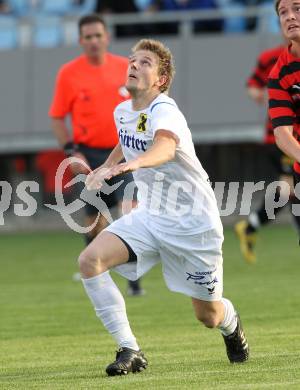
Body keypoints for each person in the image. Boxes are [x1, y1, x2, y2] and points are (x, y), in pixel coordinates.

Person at [79, 38, 249, 376]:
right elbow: (125, 138)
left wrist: (132, 165)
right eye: (132, 60)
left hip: (193, 225)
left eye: (145, 63)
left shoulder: (165, 110)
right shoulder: (123, 111)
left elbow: (165, 148)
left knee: (208, 316)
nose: (134, 65)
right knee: (90, 260)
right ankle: (130, 348)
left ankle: (232, 325)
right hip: (151, 217)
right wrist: (107, 166)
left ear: (161, 79)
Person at [49, 13, 144, 295]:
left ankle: (135, 282)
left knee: (130, 212)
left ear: (107, 37)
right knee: (95, 223)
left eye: (97, 35)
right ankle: (95, 274)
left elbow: (141, 106)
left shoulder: (125, 68)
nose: (93, 41)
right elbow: (57, 117)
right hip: (88, 157)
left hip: (122, 153)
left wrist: (139, 139)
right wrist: (71, 152)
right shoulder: (69, 73)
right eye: (88, 37)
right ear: (81, 41)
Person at [235, 43, 300, 263]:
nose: (291, 18)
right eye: (285, 12)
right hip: (280, 137)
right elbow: (252, 84)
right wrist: (259, 93)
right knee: (290, 187)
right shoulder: (273, 59)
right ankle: (251, 225)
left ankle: (251, 225)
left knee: (288, 190)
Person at [268, 0, 300, 244]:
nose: (290, 16)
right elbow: (282, 135)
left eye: (297, 9)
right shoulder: (279, 73)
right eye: (283, 12)